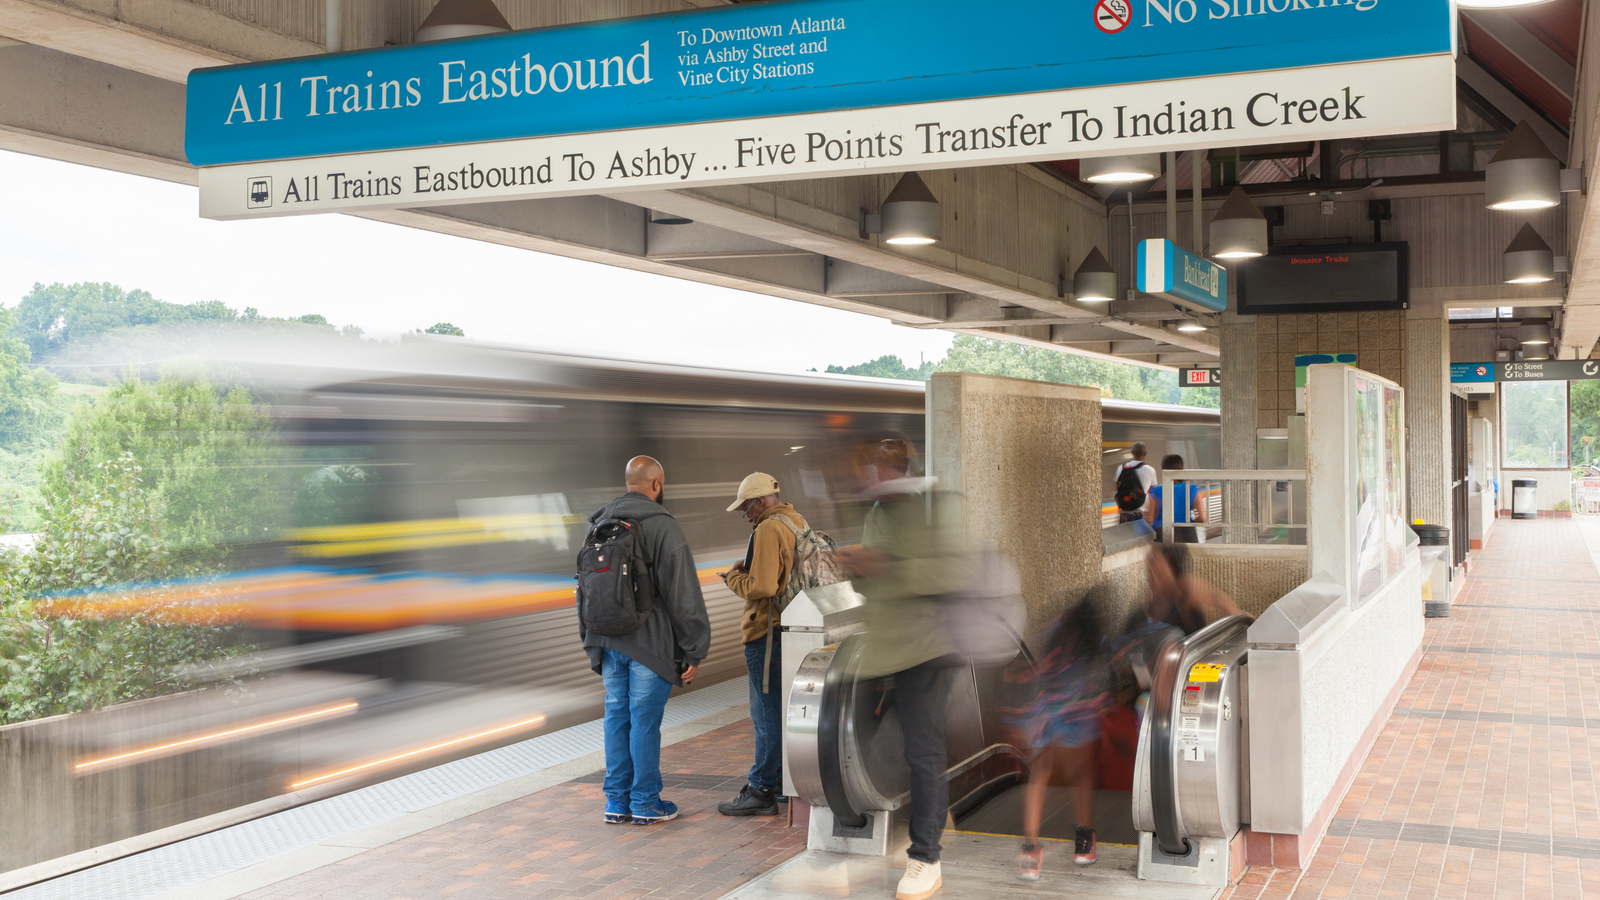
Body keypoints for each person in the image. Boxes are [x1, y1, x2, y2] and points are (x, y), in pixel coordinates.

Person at [837, 438, 964, 900]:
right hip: (889, 648)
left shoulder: (937, 507)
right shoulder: (876, 512)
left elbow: (954, 574)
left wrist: (885, 565)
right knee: (907, 749)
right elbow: (876, 582)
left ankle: (925, 858)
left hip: (931, 647)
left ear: (895, 469)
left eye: (868, 473)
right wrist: (856, 568)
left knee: (923, 751)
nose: (861, 484)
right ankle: (934, 814)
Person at [581, 456, 712, 826]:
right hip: (649, 646)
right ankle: (645, 802)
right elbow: (683, 594)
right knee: (643, 722)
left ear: (627, 483)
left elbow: (584, 590)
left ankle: (616, 801)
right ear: (658, 483)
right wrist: (693, 649)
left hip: (607, 642)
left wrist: (591, 641)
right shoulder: (662, 526)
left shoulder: (599, 524)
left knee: (616, 717)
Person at [716, 472, 807, 817]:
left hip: (767, 633)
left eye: (747, 508)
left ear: (760, 501)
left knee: (765, 715)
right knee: (780, 713)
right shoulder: (794, 520)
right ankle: (783, 783)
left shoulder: (768, 528)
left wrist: (735, 578)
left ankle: (762, 789)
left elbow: (764, 586)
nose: (746, 515)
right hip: (791, 628)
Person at [1016, 597, 1114, 878]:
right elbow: (1105, 683)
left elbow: (1039, 672)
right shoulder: (1097, 641)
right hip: (1079, 713)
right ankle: (1084, 840)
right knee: (1081, 774)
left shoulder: (1056, 633)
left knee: (1041, 771)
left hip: (1050, 710)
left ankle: (1030, 850)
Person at [1145, 542, 1248, 634]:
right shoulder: (1150, 608)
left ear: (1172, 566)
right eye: (1151, 568)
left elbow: (1216, 598)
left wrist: (1236, 612)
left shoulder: (1185, 587)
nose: (1152, 575)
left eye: (1158, 572)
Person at [1145, 454, 1206, 543]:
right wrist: (1191, 521)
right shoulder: (1192, 490)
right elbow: (1202, 518)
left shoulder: (1155, 491)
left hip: (1162, 533)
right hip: (1187, 533)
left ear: (1163, 471)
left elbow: (1150, 519)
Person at [1115, 442, 1157, 524]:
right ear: (1145, 453)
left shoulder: (1121, 468)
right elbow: (1153, 494)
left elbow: (1118, 490)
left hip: (1124, 513)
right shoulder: (1150, 470)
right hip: (1141, 513)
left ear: (1132, 452)